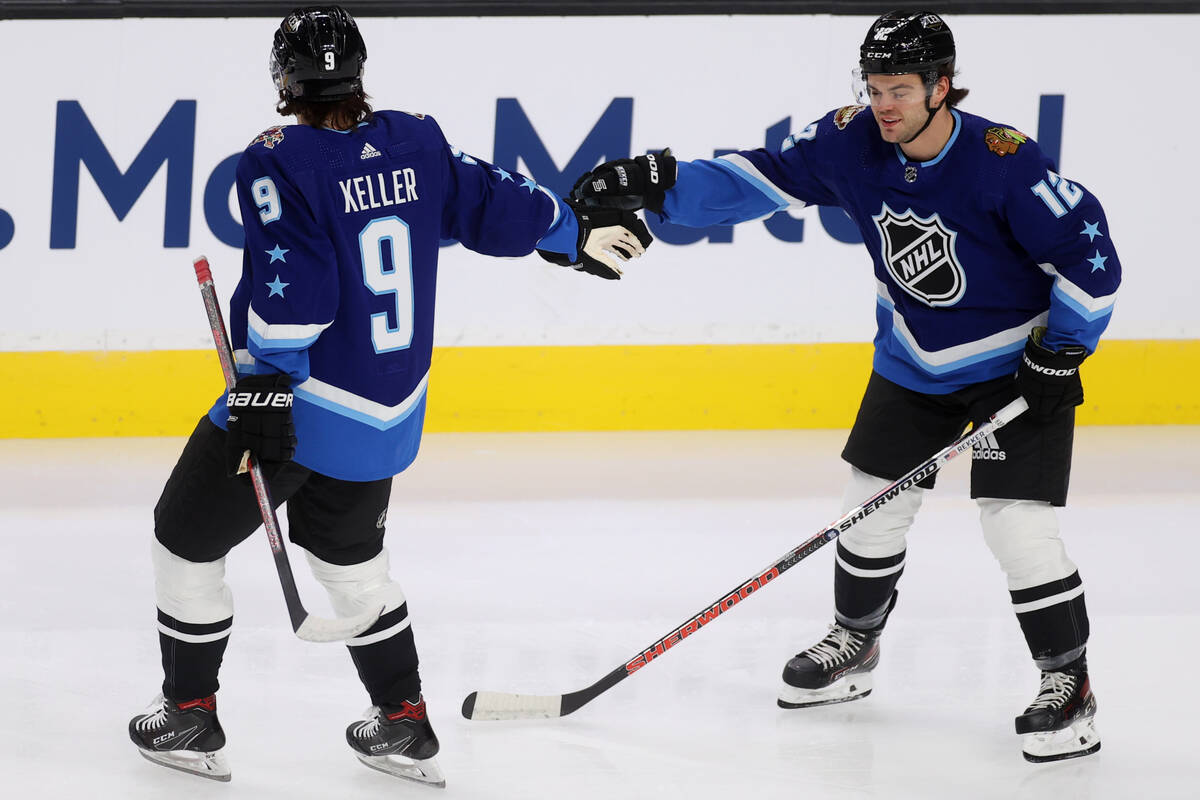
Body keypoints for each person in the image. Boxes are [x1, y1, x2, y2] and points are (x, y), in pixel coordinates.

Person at [571, 10, 1119, 763]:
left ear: (942, 86)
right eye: (874, 87)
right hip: (912, 364)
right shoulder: (848, 140)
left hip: (1014, 373)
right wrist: (659, 181)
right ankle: (855, 645)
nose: (883, 105)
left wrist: (1062, 350)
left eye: (900, 88)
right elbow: (756, 180)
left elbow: (1091, 263)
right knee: (866, 511)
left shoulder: (1004, 160)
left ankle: (1069, 684)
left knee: (1017, 529)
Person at [126, 5, 651, 787]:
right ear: (359, 71)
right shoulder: (417, 139)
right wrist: (571, 233)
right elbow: (496, 200)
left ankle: (190, 714)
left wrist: (266, 386)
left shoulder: (276, 158)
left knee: (183, 540)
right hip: (389, 414)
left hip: (304, 403)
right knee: (353, 564)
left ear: (283, 77)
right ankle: (404, 723)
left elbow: (295, 283)